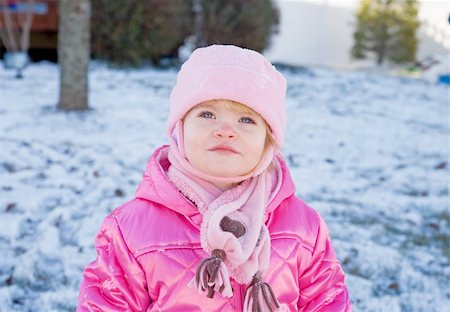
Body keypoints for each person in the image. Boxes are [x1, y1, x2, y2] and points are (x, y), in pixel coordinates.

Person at [77, 44, 351, 311]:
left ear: (269, 142)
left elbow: (327, 299)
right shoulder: (131, 229)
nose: (225, 130)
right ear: (180, 129)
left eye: (246, 120)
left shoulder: (304, 228)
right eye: (207, 114)